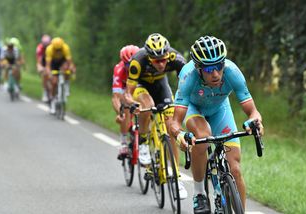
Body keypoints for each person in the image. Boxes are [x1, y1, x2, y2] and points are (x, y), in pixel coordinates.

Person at [170, 35, 264, 213]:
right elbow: (174, 122)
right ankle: (199, 194)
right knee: (203, 136)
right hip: (193, 107)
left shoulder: (232, 72)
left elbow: (253, 111)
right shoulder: (187, 76)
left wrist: (255, 122)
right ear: (198, 68)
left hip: (220, 108)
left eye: (219, 66)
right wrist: (179, 135)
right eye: (209, 68)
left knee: (235, 169)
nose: (215, 73)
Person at [124, 33, 188, 199]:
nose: (161, 63)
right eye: (156, 60)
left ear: (168, 55)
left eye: (163, 60)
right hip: (141, 86)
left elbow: (188, 82)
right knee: (147, 105)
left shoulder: (175, 57)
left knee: (171, 129)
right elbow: (128, 94)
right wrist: (133, 104)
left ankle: (176, 177)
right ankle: (144, 141)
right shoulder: (137, 62)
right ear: (149, 57)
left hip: (161, 85)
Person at [112, 44, 140, 160]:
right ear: (123, 62)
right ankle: (123, 142)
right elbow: (116, 97)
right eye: (128, 64)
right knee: (126, 109)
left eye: (133, 63)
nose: (131, 67)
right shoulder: (119, 69)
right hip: (124, 90)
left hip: (138, 88)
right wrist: (120, 112)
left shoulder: (142, 66)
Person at [45, 37, 76, 114]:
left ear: (62, 46)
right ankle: (53, 101)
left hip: (62, 61)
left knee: (67, 69)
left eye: (60, 49)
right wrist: (50, 74)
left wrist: (72, 68)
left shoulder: (65, 48)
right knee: (54, 82)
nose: (58, 51)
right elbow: (48, 65)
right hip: (53, 63)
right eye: (56, 49)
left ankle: (66, 85)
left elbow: (70, 62)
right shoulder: (49, 49)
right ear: (53, 47)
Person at [36, 34, 51, 102]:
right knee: (44, 74)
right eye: (45, 45)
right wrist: (41, 67)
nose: (46, 46)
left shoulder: (52, 47)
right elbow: (39, 60)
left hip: (51, 61)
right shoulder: (40, 48)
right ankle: (45, 91)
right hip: (43, 62)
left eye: (47, 44)